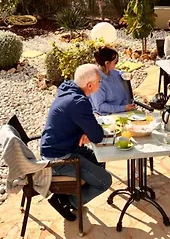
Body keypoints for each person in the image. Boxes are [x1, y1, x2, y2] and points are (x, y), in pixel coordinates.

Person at [40, 64, 112, 221]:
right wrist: (89, 131)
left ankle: (71, 192)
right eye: (99, 81)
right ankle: (67, 201)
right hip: (59, 158)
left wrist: (85, 130)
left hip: (61, 146)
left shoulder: (68, 90)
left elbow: (83, 125)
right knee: (105, 181)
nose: (101, 84)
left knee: (99, 161)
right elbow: (97, 136)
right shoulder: (78, 102)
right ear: (90, 85)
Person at [89, 47, 136, 114]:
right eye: (115, 62)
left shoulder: (111, 72)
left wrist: (124, 73)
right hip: (109, 116)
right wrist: (123, 108)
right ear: (107, 63)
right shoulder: (96, 82)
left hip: (125, 111)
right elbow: (100, 107)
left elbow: (119, 73)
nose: (116, 64)